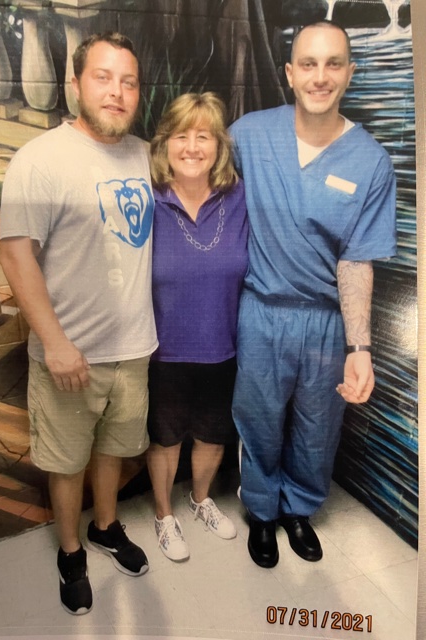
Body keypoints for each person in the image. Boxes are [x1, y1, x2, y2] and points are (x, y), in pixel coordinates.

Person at [0, 32, 157, 615]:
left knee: (113, 450)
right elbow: (15, 254)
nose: (116, 91)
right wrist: (55, 343)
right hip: (69, 355)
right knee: (67, 463)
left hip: (133, 348)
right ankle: (70, 551)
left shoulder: (144, 154)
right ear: (75, 84)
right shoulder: (39, 159)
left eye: (128, 81)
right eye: (103, 77)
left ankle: (106, 527)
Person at [229, 20, 396, 568]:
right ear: (289, 73)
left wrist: (359, 348)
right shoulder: (250, 135)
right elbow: (194, 170)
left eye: (332, 64)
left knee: (318, 427)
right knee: (257, 420)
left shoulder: (370, 161)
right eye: (308, 64)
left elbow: (357, 260)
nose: (319, 77)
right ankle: (261, 511)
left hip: (325, 321)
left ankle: (298, 509)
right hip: (262, 310)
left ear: (350, 72)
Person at [147, 92, 248, 561]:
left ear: (218, 145)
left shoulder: (238, 196)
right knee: (165, 439)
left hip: (223, 347)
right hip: (162, 351)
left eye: (203, 136)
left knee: (212, 433)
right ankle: (164, 515)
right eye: (181, 136)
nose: (192, 147)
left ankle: (201, 499)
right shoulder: (148, 198)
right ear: (164, 144)